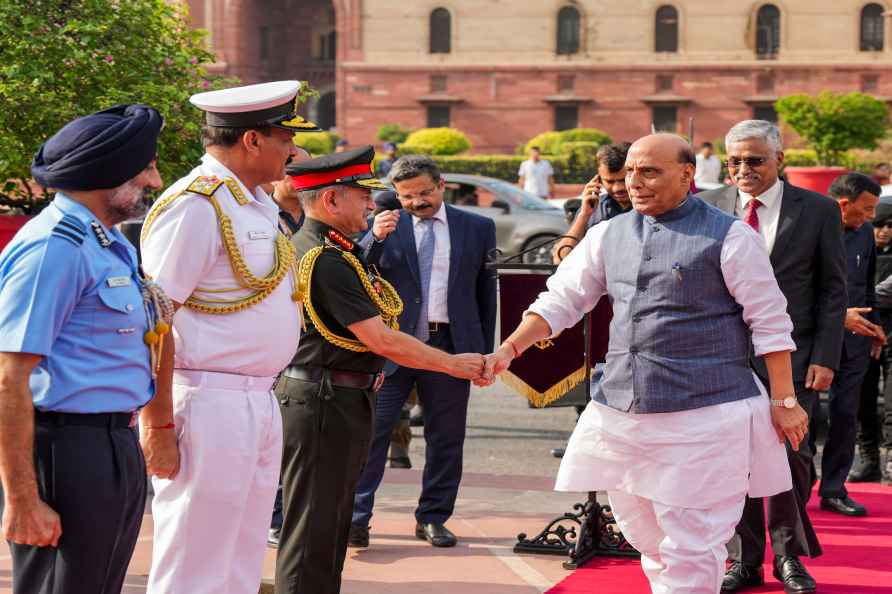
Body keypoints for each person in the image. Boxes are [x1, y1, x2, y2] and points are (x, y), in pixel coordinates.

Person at [481, 133, 805, 594]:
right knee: (647, 536)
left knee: (695, 539)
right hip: (623, 411)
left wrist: (785, 400)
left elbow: (771, 323)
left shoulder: (731, 236)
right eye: (630, 171)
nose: (634, 182)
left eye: (650, 171)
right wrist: (508, 350)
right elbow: (560, 301)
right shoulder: (608, 234)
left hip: (708, 413)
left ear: (687, 175)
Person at [276, 145, 486, 594]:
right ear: (331, 200)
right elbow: (382, 339)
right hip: (324, 400)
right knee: (314, 528)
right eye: (361, 195)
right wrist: (452, 363)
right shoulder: (324, 256)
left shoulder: (327, 247)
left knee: (328, 527)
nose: (373, 204)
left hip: (335, 397)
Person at [139, 80, 321, 594]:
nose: (294, 149)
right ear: (253, 141)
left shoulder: (255, 204)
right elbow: (153, 321)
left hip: (257, 398)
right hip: (205, 399)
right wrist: (158, 424)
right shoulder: (196, 205)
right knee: (194, 558)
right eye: (285, 137)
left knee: (240, 557)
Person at [0, 104, 170, 593]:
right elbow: (10, 377)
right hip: (65, 450)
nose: (154, 180)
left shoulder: (107, 244)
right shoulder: (57, 247)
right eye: (146, 168)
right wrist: (22, 500)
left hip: (111, 442)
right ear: (109, 174)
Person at [697, 120, 847, 594]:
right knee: (733, 461)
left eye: (755, 160)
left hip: (795, 357)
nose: (743, 169)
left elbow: (832, 289)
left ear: (780, 160)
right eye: (735, 160)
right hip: (724, 359)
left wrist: (825, 356)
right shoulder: (706, 206)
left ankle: (790, 557)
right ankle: (743, 561)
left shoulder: (819, 210)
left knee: (793, 458)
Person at [348, 155, 498, 550]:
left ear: (442, 185)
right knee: (371, 435)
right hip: (392, 347)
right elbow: (355, 274)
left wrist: (483, 354)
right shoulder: (382, 225)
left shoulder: (477, 227)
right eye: (407, 196)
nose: (417, 202)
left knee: (445, 438)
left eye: (424, 193)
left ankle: (433, 517)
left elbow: (486, 292)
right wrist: (373, 239)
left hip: (451, 345)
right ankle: (357, 517)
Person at [812, 173, 885, 516]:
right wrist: (842, 315)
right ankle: (796, 489)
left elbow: (867, 287)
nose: (872, 216)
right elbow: (795, 288)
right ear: (844, 205)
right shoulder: (807, 229)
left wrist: (874, 328)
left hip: (855, 339)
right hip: (811, 338)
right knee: (806, 415)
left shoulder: (865, 234)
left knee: (844, 414)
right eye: (867, 209)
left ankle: (833, 489)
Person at [852, 200, 892, 484]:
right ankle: (869, 460)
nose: (885, 231)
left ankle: (890, 459)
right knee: (862, 401)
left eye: (891, 226)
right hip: (861, 335)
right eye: (879, 224)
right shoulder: (856, 248)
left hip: (888, 335)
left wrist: (853, 303)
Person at [553, 142, 631, 264]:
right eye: (610, 182)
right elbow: (561, 258)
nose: (617, 188)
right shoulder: (593, 208)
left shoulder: (653, 207)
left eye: (623, 180)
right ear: (598, 179)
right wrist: (584, 215)